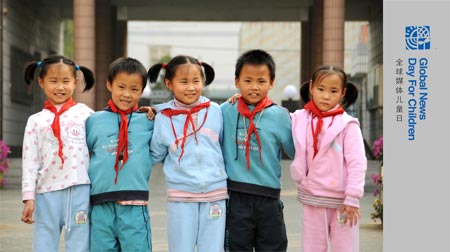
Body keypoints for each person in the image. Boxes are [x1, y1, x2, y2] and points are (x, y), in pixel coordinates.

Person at [148, 55, 228, 252]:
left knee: (212, 249)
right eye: (183, 82)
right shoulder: (163, 117)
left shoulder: (216, 111)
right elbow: (155, 154)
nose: (191, 87)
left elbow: (224, 145)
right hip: (180, 195)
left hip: (215, 194)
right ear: (169, 84)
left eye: (196, 81)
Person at [221, 49, 295, 252]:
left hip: (269, 198)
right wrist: (155, 110)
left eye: (261, 81)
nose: (254, 87)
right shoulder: (225, 111)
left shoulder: (280, 115)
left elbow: (296, 151)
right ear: (237, 81)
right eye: (248, 81)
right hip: (235, 197)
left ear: (271, 83)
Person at [21, 55, 95, 252]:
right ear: (41, 82)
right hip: (47, 193)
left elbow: (98, 151)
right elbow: (30, 161)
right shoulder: (35, 121)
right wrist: (29, 197)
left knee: (80, 244)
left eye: (65, 81)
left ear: (75, 82)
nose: (59, 87)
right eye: (53, 81)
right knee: (44, 244)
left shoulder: (86, 114)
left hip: (80, 190)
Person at [290, 65, 367, 252]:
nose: (326, 96)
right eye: (321, 89)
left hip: (342, 203)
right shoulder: (299, 118)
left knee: (345, 248)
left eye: (333, 91)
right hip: (312, 199)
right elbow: (272, 115)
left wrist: (352, 198)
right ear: (311, 88)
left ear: (342, 93)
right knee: (312, 248)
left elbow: (357, 163)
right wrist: (238, 100)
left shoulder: (348, 125)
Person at [86, 57, 154, 251]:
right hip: (101, 203)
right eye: (121, 87)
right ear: (109, 84)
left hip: (135, 202)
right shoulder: (93, 121)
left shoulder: (148, 121)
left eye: (134, 89)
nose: (127, 94)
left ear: (141, 91)